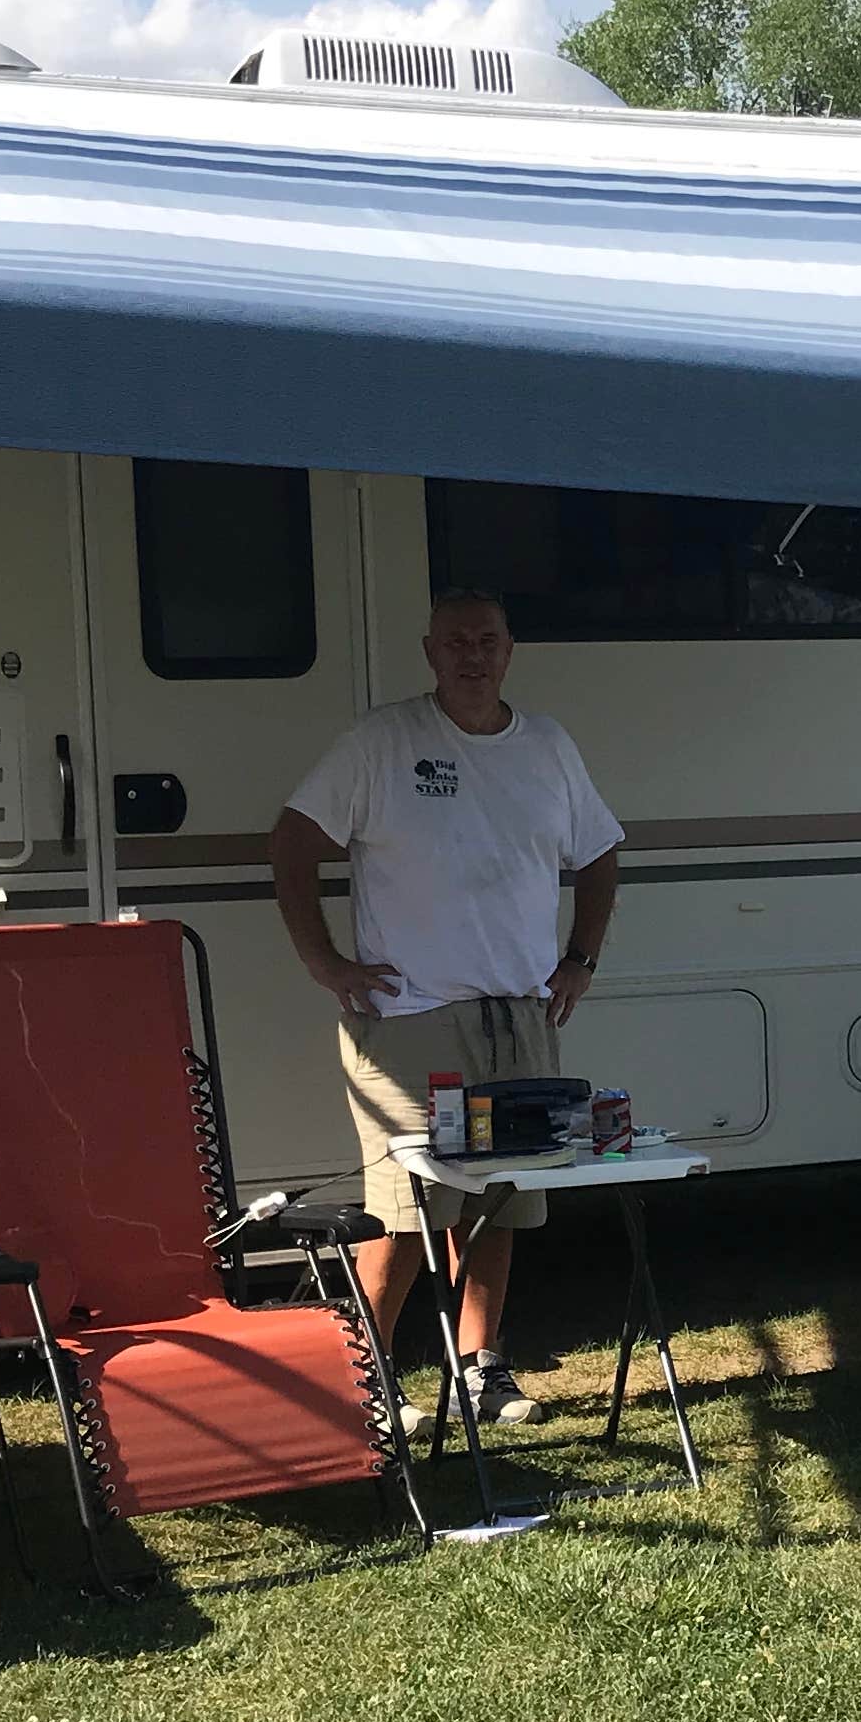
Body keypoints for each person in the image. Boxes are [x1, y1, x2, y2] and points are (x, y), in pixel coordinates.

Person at [268, 588, 623, 1424]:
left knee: (499, 1197)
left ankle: (482, 1370)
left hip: (521, 1014)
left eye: (488, 640)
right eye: (456, 641)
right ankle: (363, 1377)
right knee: (407, 1212)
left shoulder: (548, 746)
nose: (473, 654)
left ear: (510, 649)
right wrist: (323, 960)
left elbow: (601, 851)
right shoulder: (381, 742)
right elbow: (290, 844)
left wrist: (580, 958)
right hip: (410, 1021)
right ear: (429, 652)